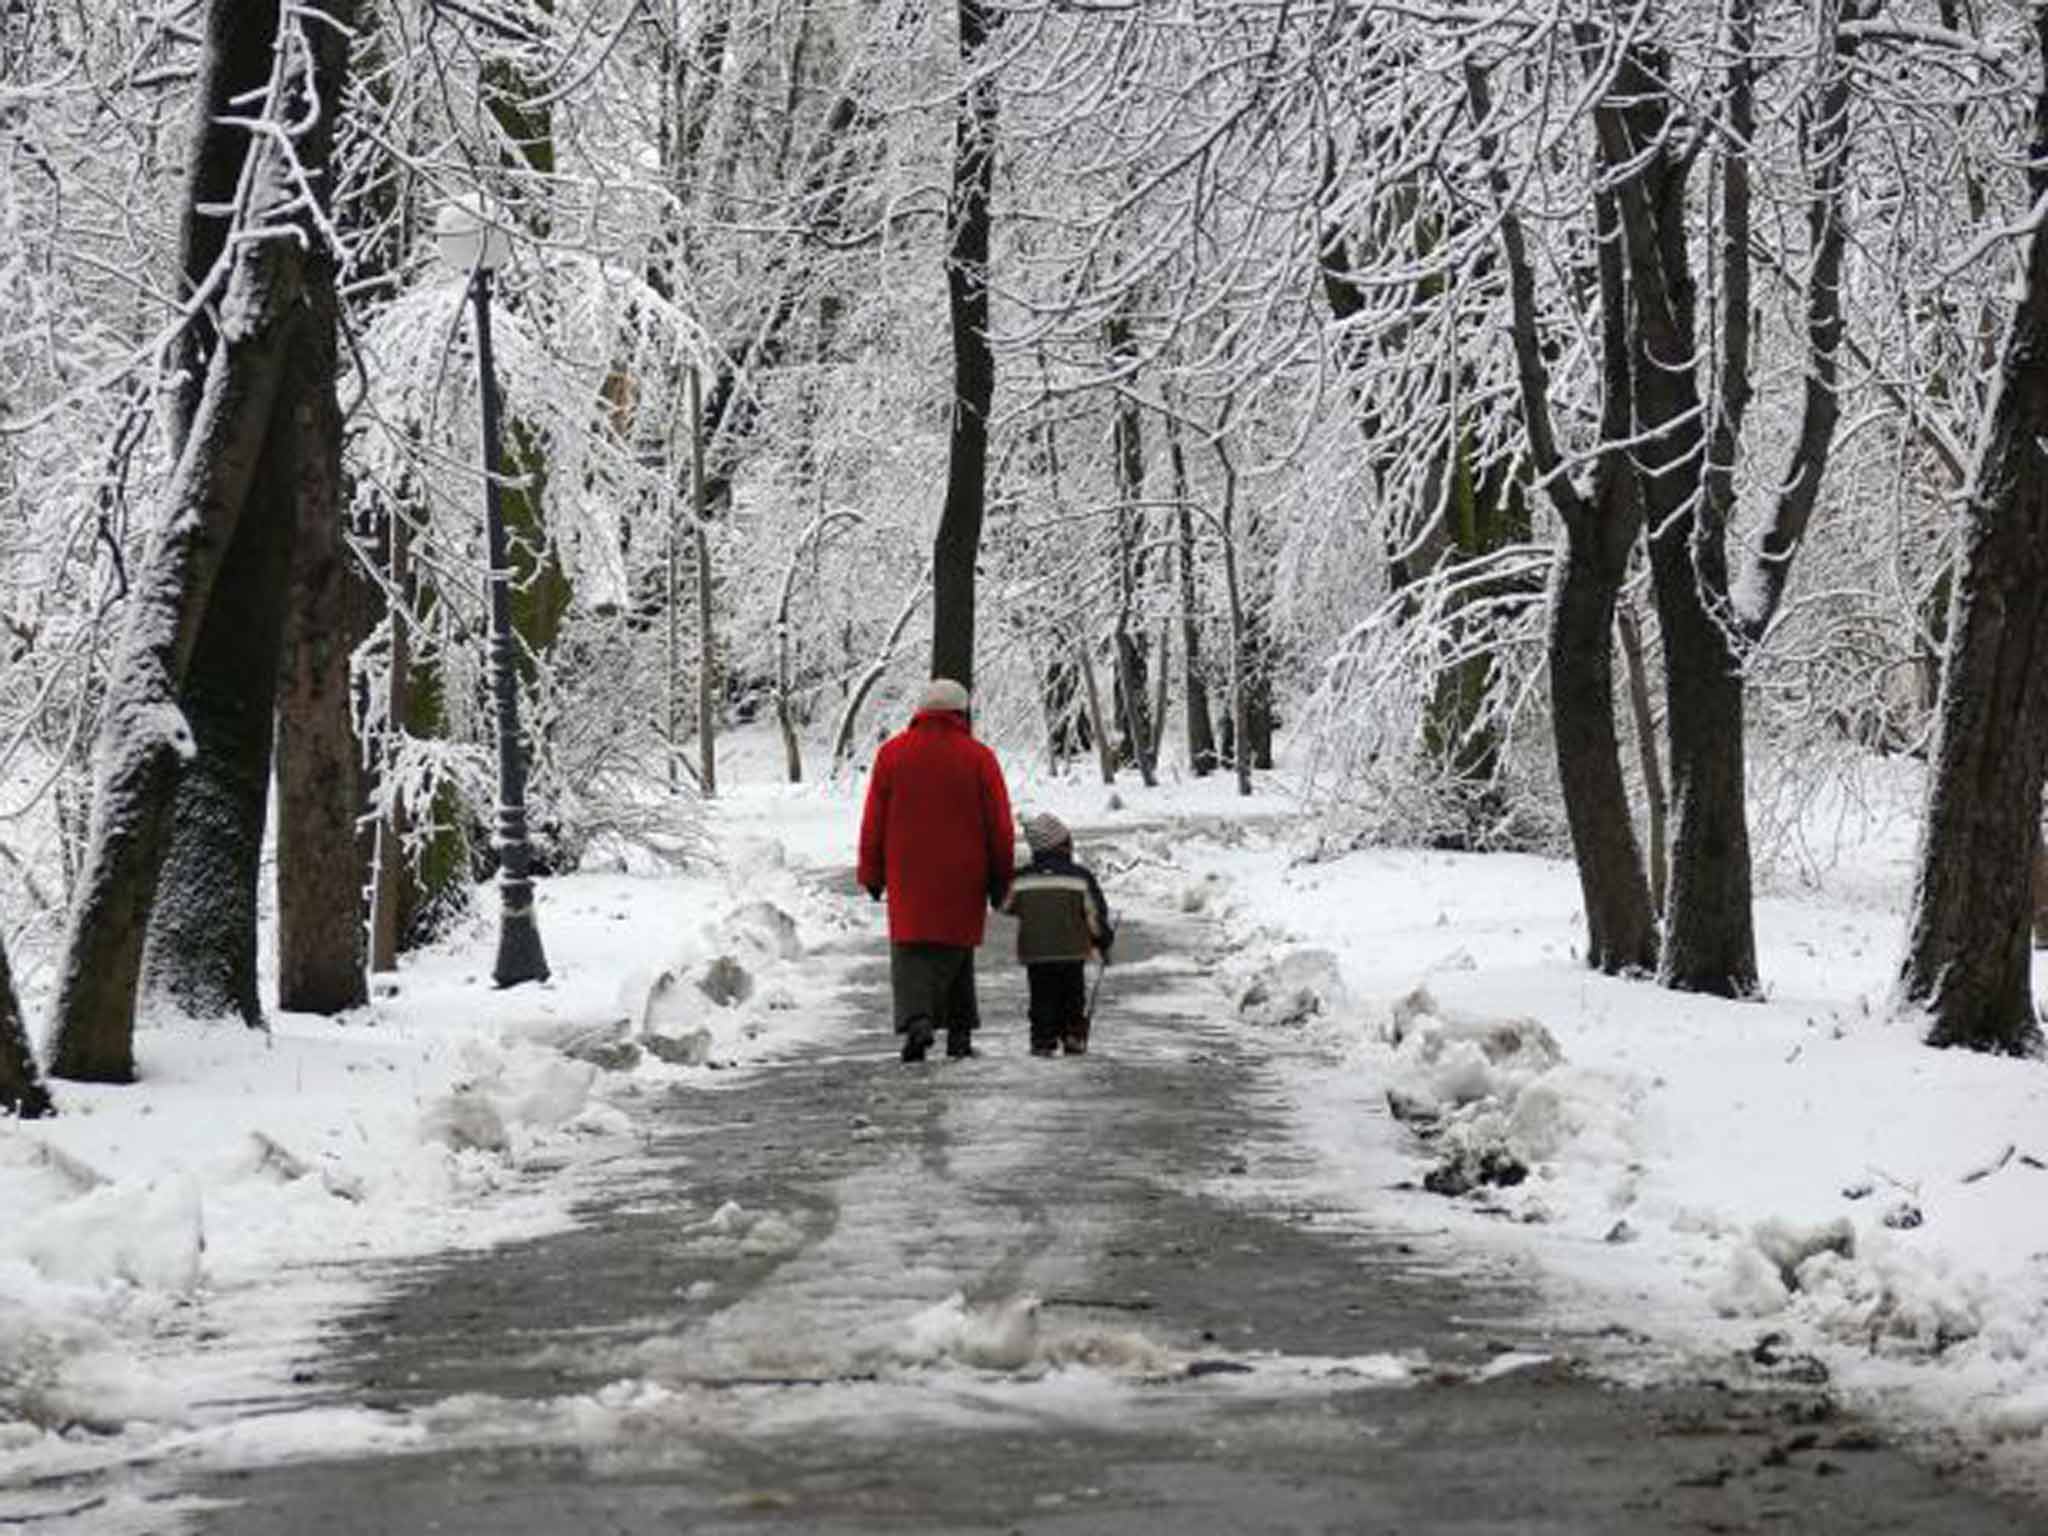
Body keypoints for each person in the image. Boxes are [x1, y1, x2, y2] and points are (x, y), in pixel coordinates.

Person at [857, 678, 1016, 1062]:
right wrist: (1001, 877)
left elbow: (874, 819)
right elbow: (999, 824)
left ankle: (917, 1020)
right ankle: (959, 1034)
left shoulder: (892, 754)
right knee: (957, 952)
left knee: (911, 950)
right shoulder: (979, 757)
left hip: (908, 872)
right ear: (961, 713)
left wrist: (872, 872)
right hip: (965, 872)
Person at [1002, 812, 1114, 1057]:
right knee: (1072, 995)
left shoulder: (1022, 880)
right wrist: (1102, 940)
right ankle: (1073, 1033)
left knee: (1041, 997)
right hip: (1072, 951)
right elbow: (1094, 915)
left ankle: (1042, 1039)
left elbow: (1005, 904)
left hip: (1035, 952)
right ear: (1063, 845)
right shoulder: (1080, 878)